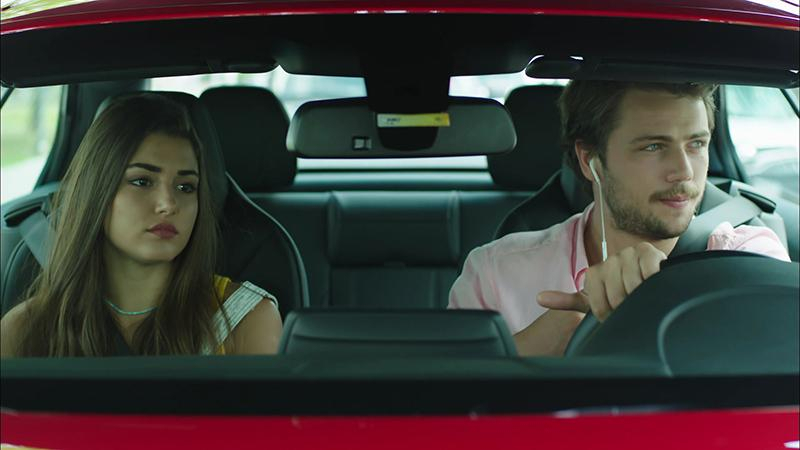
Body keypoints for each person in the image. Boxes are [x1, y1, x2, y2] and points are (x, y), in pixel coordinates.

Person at [449, 81, 790, 357]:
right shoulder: (496, 272)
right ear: (590, 160)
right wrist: (524, 355)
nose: (684, 171)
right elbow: (444, 405)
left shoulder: (747, 260)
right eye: (653, 146)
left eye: (696, 144)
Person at [0, 93, 282, 357]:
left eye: (185, 187)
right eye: (142, 181)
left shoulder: (247, 320)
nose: (168, 204)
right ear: (96, 192)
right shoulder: (24, 329)